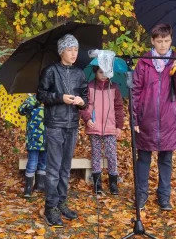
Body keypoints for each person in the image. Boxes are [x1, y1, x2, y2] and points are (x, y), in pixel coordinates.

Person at [132, 23, 176, 211]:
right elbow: (135, 92)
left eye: (166, 41)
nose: (163, 45)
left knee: (166, 160)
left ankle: (164, 197)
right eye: (159, 41)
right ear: (152, 41)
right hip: (145, 119)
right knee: (143, 159)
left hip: (168, 120)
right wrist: (134, 119)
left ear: (171, 41)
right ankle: (141, 195)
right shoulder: (143, 62)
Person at [37, 34, 88, 227]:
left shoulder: (80, 73)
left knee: (66, 168)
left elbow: (85, 97)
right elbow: (40, 95)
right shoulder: (50, 71)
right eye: (69, 49)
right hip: (55, 124)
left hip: (72, 125)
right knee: (53, 169)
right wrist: (59, 97)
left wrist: (82, 102)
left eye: (76, 49)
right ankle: (50, 207)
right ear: (61, 51)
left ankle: (61, 202)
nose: (74, 53)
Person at [80, 66, 124, 195]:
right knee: (96, 154)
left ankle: (113, 182)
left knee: (111, 154)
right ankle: (97, 183)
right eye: (100, 72)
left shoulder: (114, 87)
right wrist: (87, 119)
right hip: (94, 125)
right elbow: (83, 105)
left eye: (106, 72)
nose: (104, 74)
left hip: (110, 126)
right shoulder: (90, 86)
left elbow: (119, 107)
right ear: (95, 71)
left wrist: (119, 126)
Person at [18, 94, 46, 197]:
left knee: (43, 162)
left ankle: (40, 185)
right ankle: (28, 188)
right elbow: (21, 110)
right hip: (33, 139)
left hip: (47, 138)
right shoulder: (31, 99)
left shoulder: (48, 100)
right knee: (32, 163)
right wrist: (34, 101)